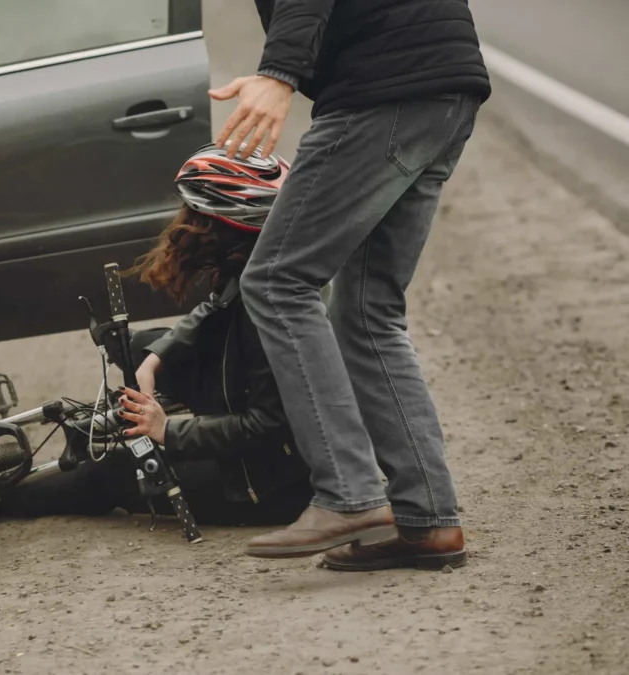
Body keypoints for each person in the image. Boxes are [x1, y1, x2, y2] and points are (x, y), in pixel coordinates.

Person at [209, 0, 491, 570]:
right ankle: (429, 520)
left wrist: (279, 73)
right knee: (366, 311)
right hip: (441, 93)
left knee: (276, 280)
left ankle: (349, 492)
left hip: (383, 96)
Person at [0, 145, 313, 527]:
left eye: (194, 214)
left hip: (264, 484)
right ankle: (165, 412)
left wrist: (167, 430)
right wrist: (154, 359)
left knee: (114, 473)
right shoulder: (255, 266)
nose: (182, 224)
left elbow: (266, 425)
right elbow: (212, 310)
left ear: (226, 225)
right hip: (240, 390)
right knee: (133, 346)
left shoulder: (271, 310)